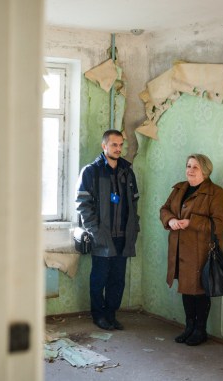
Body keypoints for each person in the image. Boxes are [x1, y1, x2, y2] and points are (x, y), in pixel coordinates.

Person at [159, 154, 223, 346]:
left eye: (195, 167)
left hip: (201, 251)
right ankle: (189, 327)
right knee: (186, 289)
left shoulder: (216, 193)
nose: (190, 170)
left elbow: (220, 223)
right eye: (188, 166)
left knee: (199, 290)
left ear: (205, 171)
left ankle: (200, 330)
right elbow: (164, 209)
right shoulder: (180, 188)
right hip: (180, 249)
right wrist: (171, 220)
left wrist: (192, 222)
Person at [76, 129, 140, 331]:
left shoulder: (127, 172)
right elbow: (83, 204)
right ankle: (98, 316)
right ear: (104, 146)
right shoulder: (91, 172)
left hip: (123, 236)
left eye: (121, 145)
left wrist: (134, 228)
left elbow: (134, 202)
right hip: (101, 236)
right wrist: (95, 231)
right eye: (114, 145)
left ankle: (111, 315)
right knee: (99, 278)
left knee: (118, 280)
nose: (118, 149)